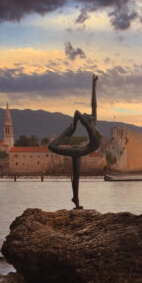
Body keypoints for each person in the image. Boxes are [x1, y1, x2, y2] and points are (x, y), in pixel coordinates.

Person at [49, 75, 101, 209]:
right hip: (79, 150)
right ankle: (65, 133)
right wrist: (72, 129)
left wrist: (94, 85)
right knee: (51, 146)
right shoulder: (91, 128)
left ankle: (76, 200)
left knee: (76, 177)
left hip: (81, 150)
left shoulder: (93, 123)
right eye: (87, 116)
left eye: (88, 115)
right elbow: (77, 113)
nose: (88, 114)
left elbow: (94, 104)